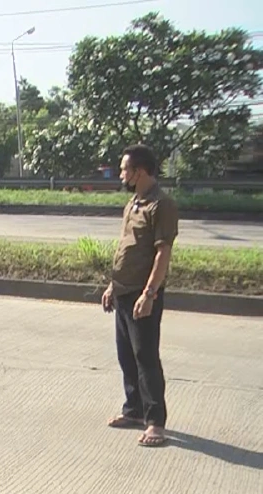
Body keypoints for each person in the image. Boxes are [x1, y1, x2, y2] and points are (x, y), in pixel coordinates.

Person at [102, 144, 178, 448]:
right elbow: (125, 247)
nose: (121, 173)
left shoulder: (162, 205)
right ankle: (133, 410)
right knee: (126, 356)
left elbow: (163, 254)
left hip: (142, 294)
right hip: (123, 291)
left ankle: (155, 422)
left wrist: (149, 294)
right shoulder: (133, 203)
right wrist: (112, 285)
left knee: (146, 357)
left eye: (125, 169)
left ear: (141, 171)